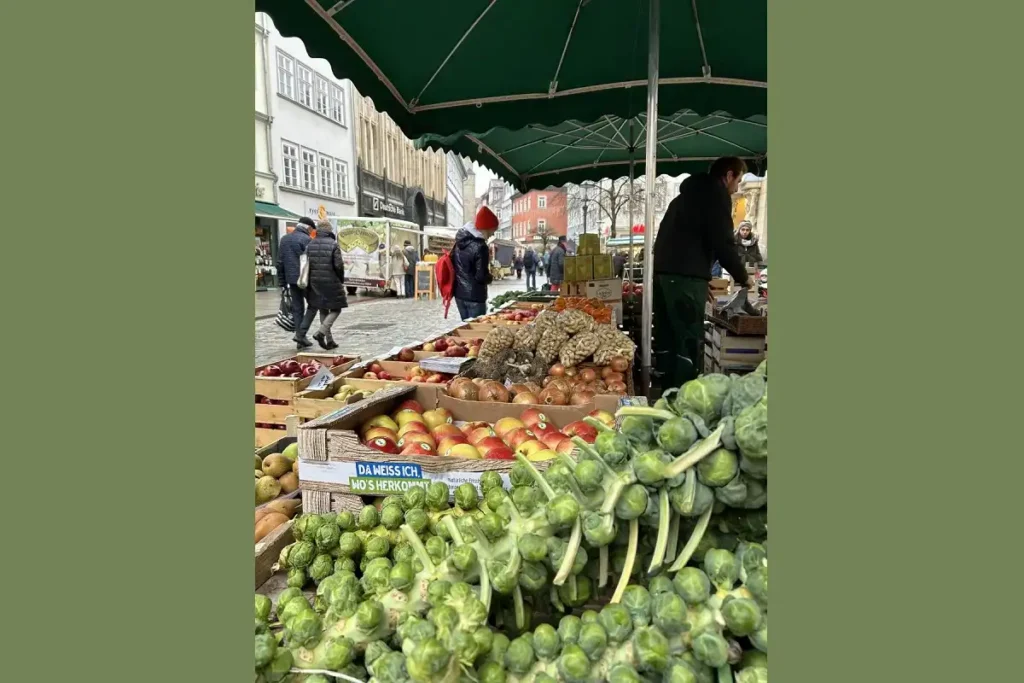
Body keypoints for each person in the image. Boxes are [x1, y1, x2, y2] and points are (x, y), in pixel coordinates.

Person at [652, 156, 752, 387]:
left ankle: (664, 393)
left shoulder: (682, 199)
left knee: (667, 337)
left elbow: (677, 240)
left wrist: (697, 276)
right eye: (738, 180)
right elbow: (723, 242)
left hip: (665, 276)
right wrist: (743, 278)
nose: (737, 187)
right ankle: (684, 398)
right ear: (728, 175)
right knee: (688, 340)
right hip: (683, 277)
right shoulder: (716, 197)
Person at [296, 220, 348, 350]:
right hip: (331, 282)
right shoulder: (333, 244)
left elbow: (306, 265)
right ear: (329, 230)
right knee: (336, 308)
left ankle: (329, 340)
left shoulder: (310, 244)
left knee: (323, 308)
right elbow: (338, 265)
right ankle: (321, 333)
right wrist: (341, 279)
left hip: (314, 282)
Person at [275, 216, 314, 349]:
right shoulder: (307, 239)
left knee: (297, 308)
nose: (311, 232)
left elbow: (279, 263)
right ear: (308, 228)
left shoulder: (284, 239)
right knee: (313, 304)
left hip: (291, 280)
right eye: (311, 229)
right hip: (305, 279)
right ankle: (301, 335)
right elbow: (311, 262)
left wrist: (281, 282)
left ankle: (300, 339)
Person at [452, 205, 498, 320]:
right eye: (493, 230)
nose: (493, 234)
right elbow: (481, 276)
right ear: (486, 228)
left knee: (466, 329)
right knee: (477, 331)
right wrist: (491, 277)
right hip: (475, 296)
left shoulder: (459, 242)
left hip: (460, 295)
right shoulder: (481, 246)